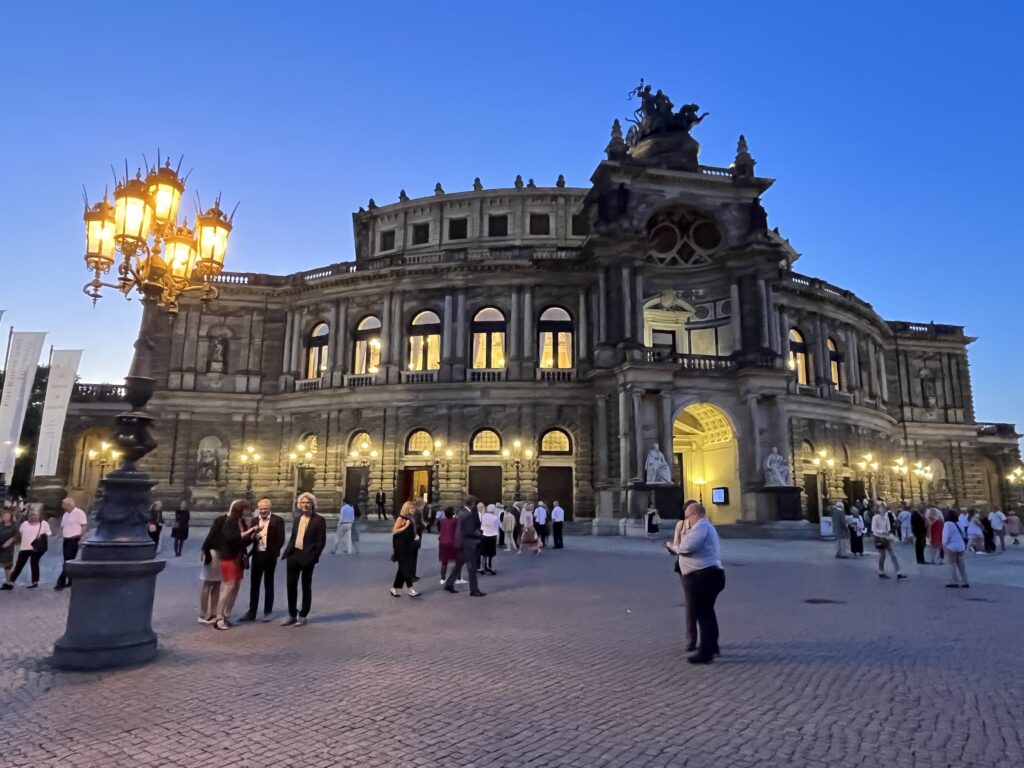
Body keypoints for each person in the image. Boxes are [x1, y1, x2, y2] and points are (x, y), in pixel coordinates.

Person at [665, 502, 725, 664]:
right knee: (707, 612)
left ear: (694, 515)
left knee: (703, 614)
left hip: (704, 576)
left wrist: (673, 547)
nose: (687, 522)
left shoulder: (701, 527)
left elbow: (686, 548)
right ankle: (712, 646)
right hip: (707, 574)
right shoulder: (702, 526)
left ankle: (705, 653)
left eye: (687, 518)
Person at [281, 491, 326, 626]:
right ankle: (292, 614)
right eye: (303, 503)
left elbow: (321, 541)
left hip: (307, 557)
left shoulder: (319, 520)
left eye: (308, 503)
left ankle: (303, 614)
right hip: (293, 555)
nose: (305, 505)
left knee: (306, 586)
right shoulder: (297, 517)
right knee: (291, 585)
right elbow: (294, 537)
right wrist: (288, 552)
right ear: (299, 505)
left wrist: (314, 556)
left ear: (313, 504)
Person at [214, 499, 257, 630]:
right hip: (229, 557)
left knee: (236, 586)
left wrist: (253, 537)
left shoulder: (242, 522)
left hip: (239, 558)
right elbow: (232, 539)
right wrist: (247, 534)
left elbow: (243, 542)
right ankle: (219, 617)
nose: (248, 512)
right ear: (240, 510)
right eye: (246, 510)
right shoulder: (229, 522)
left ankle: (227, 614)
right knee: (228, 587)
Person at [240, 498, 285, 622]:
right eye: (261, 509)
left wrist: (273, 553)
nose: (263, 511)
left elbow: (280, 540)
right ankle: (252, 612)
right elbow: (249, 539)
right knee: (254, 585)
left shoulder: (278, 520)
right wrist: (253, 536)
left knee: (268, 584)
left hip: (270, 556)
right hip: (257, 556)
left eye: (265, 509)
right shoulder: (255, 520)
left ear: (270, 509)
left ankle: (267, 611)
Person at [443, 495, 485, 596]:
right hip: (468, 544)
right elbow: (469, 531)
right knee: (472, 568)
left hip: (460, 543)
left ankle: (449, 583)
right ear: (472, 504)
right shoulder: (468, 515)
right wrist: (480, 534)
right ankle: (474, 590)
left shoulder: (461, 512)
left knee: (458, 565)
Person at [670, 501, 698, 651]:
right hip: (685, 568)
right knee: (691, 601)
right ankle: (692, 638)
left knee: (702, 604)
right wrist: (673, 548)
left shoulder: (703, 526)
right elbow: (676, 546)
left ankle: (703, 639)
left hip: (702, 567)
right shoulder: (681, 525)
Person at [5, 508, 51, 588]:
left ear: (39, 516)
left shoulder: (44, 523)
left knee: (34, 563)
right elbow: (20, 533)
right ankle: (11, 582)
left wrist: (42, 535)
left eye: (35, 515)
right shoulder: (25, 523)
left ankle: (35, 582)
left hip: (37, 548)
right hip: (25, 547)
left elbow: (49, 533)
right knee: (19, 565)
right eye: (31, 515)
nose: (33, 516)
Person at [54, 497, 87, 590]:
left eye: (64, 505)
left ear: (69, 505)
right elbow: (63, 527)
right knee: (68, 560)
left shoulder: (79, 513)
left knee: (67, 561)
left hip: (73, 539)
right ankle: (71, 580)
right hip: (66, 539)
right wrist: (58, 536)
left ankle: (61, 581)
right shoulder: (65, 514)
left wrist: (80, 536)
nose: (62, 507)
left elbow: (84, 526)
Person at [199, 511, 225, 624]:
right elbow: (207, 543)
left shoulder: (214, 533)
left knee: (213, 583)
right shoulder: (220, 533)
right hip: (215, 556)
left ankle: (209, 612)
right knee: (211, 584)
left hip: (215, 556)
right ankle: (207, 612)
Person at [390, 501, 421, 597]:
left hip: (408, 545)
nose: (414, 510)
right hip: (400, 546)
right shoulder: (401, 518)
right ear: (407, 509)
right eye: (412, 508)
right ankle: (410, 589)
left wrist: (415, 536)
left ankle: (394, 588)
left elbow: (411, 531)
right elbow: (394, 531)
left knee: (402, 568)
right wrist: (406, 526)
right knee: (405, 567)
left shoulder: (410, 518)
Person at [871, 506, 906, 580]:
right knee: (883, 555)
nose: (883, 509)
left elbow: (889, 528)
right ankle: (881, 572)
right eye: (881, 508)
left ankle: (898, 573)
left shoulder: (886, 517)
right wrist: (882, 531)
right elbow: (873, 528)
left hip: (885, 537)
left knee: (893, 555)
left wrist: (889, 534)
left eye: (884, 508)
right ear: (878, 509)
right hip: (878, 537)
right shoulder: (875, 517)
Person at [942, 510, 969, 588]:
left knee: (952, 564)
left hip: (952, 547)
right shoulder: (959, 523)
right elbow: (964, 534)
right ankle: (965, 581)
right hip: (961, 546)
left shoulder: (947, 524)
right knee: (961, 565)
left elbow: (946, 537)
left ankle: (954, 581)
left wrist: (944, 545)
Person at [438, 506, 459, 584]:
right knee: (457, 561)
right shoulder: (455, 520)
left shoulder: (442, 520)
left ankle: (442, 579)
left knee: (444, 561)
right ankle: (457, 578)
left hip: (443, 542)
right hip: (453, 542)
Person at [0, 509, 19, 587]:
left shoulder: (14, 526)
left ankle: (8, 583)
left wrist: (10, 541)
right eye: (4, 516)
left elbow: (17, 536)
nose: (5, 517)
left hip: (7, 548)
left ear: (10, 517)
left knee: (7, 566)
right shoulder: (0, 525)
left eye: (7, 516)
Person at [480, 503, 500, 575]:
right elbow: (496, 528)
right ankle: (492, 568)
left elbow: (482, 526)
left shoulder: (484, 516)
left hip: (484, 535)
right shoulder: (495, 517)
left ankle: (483, 568)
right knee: (492, 554)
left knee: (483, 553)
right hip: (492, 536)